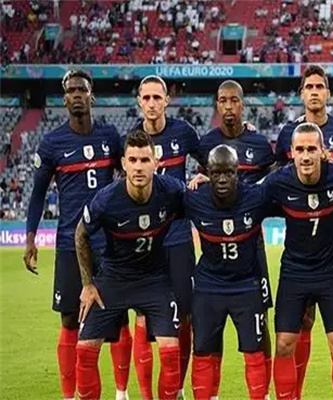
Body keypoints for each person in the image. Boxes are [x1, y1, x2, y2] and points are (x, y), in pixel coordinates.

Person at [24, 70, 132, 400]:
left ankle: (122, 393)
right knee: (70, 319)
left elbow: (132, 170)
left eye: (81, 90)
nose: (76, 95)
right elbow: (38, 194)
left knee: (119, 319)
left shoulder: (110, 136)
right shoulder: (52, 143)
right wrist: (30, 238)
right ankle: (69, 396)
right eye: (71, 90)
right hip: (70, 243)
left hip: (109, 243)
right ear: (64, 99)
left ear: (91, 96)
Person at [75, 129, 184, 400]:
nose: (138, 167)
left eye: (145, 160)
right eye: (133, 160)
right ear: (123, 163)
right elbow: (81, 234)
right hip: (114, 278)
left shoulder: (172, 191)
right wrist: (88, 284)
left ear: (156, 162)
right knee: (85, 351)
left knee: (171, 352)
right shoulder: (106, 199)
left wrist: (200, 183)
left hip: (155, 280)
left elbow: (202, 205)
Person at [275, 65, 333, 398]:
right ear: (301, 94)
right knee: (302, 322)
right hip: (299, 238)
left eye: (319, 86)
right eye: (308, 87)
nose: (314, 92)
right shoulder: (288, 133)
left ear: (328, 93)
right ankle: (294, 390)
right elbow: (276, 177)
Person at [197, 80, 276, 399]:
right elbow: (202, 181)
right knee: (211, 325)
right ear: (217, 105)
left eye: (234, 100)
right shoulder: (206, 143)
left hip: (251, 244)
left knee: (261, 320)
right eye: (223, 101)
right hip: (215, 244)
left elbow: (275, 178)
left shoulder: (259, 143)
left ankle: (264, 392)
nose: (228, 106)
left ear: (242, 104)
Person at [129, 75, 201, 400]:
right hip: (144, 241)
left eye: (157, 97)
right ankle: (146, 395)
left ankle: (178, 388)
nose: (152, 103)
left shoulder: (183, 132)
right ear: (139, 101)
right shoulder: (131, 138)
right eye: (146, 97)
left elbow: (212, 159)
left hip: (179, 238)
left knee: (184, 316)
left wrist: (203, 176)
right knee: (143, 317)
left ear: (166, 101)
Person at [185, 145, 272, 400]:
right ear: (206, 173)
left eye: (228, 173)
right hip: (208, 286)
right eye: (216, 173)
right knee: (202, 350)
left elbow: (285, 179)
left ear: (238, 172)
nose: (222, 179)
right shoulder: (193, 198)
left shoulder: (256, 197)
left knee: (254, 351)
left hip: (246, 285)